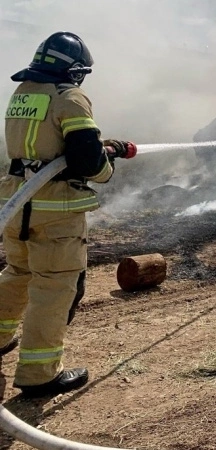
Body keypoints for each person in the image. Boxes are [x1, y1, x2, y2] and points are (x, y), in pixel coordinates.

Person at [0, 32, 133, 397]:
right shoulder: (69, 97)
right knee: (54, 288)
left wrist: (101, 147)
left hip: (16, 205)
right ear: (73, 70)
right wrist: (108, 165)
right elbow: (88, 162)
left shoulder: (23, 93)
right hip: (55, 212)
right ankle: (39, 374)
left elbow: (48, 145)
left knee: (17, 273)